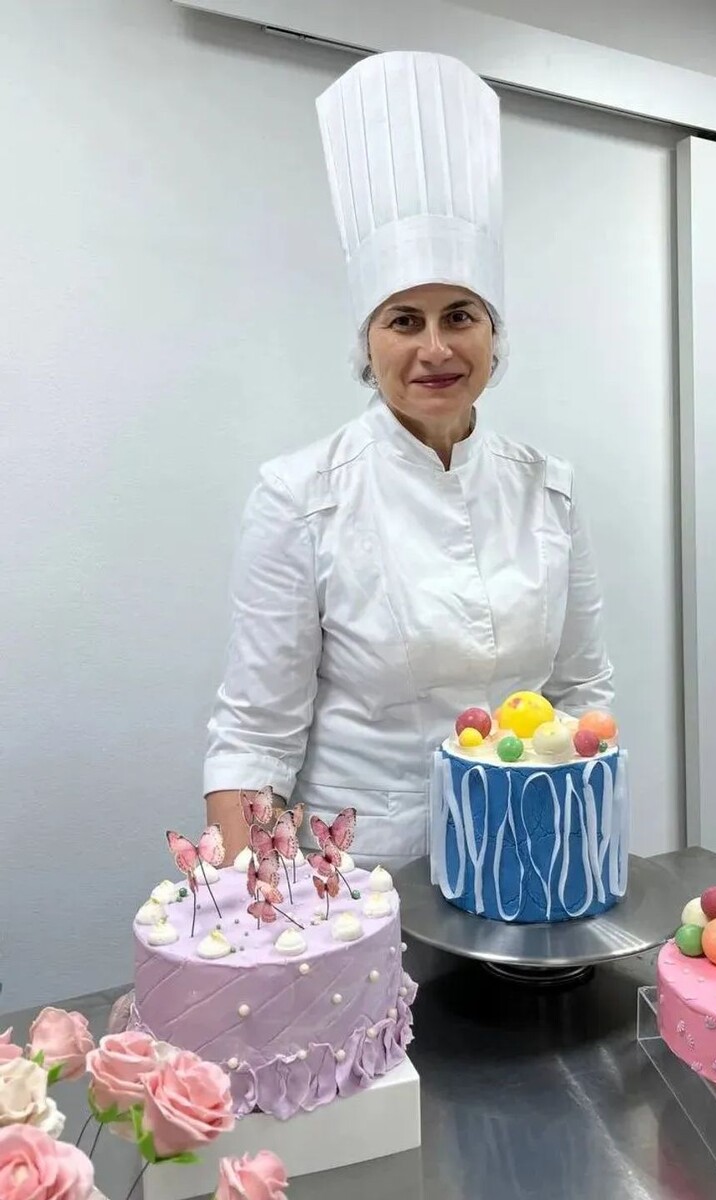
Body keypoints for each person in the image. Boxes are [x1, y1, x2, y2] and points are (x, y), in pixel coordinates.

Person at [205, 51, 614, 865]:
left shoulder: (549, 489)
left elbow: (583, 693)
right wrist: (255, 911)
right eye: (403, 321)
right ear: (368, 343)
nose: (435, 348)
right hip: (361, 872)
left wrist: (584, 848)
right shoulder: (300, 495)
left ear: (494, 336)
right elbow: (255, 736)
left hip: (531, 853)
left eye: (459, 316)